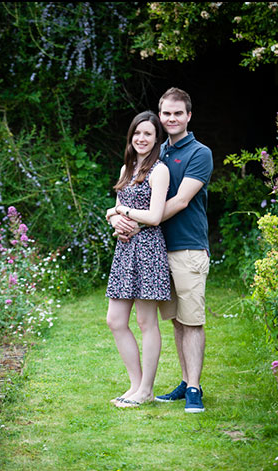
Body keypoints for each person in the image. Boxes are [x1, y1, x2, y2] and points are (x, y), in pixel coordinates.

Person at [110, 87, 213, 414]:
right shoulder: (159, 151)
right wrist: (116, 216)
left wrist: (135, 220)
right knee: (174, 322)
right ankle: (182, 382)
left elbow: (180, 201)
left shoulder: (199, 153)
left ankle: (194, 387)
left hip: (186, 246)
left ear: (188, 116)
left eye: (177, 113)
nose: (171, 118)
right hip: (152, 249)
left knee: (191, 319)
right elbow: (125, 199)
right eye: (166, 113)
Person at [105, 111, 171, 408]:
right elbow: (116, 208)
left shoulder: (160, 170)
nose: (141, 138)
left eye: (148, 133)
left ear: (157, 138)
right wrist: (113, 219)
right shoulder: (126, 168)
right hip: (125, 248)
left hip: (148, 250)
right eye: (137, 133)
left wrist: (124, 214)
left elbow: (155, 216)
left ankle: (146, 390)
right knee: (115, 320)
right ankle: (134, 385)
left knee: (146, 321)